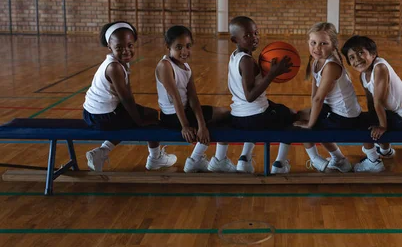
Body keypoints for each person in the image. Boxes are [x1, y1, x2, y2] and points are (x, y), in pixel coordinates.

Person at [83, 21, 176, 171]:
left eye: (130, 45)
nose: (126, 51)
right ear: (109, 47)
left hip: (93, 113)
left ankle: (101, 151)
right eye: (119, 47)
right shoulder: (114, 67)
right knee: (151, 118)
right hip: (102, 116)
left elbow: (126, 93)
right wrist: (138, 120)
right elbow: (126, 98)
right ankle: (155, 158)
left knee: (144, 115)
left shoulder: (119, 63)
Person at [222, 16, 299, 174]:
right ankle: (280, 164)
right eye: (247, 36)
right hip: (254, 116)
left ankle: (244, 159)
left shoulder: (235, 56)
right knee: (292, 117)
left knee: (275, 107)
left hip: (238, 115)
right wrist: (272, 74)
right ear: (234, 39)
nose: (254, 38)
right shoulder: (247, 61)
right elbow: (250, 96)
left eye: (255, 33)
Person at [341, 35, 402, 172]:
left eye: (360, 53)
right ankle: (385, 151)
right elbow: (371, 102)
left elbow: (378, 101)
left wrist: (381, 126)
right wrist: (373, 119)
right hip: (395, 112)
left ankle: (373, 162)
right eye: (351, 57)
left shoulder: (380, 67)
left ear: (373, 53)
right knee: (365, 119)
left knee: (363, 126)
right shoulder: (363, 75)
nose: (357, 59)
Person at [155, 25, 230, 173]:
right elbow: (175, 97)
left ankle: (199, 158)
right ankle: (200, 158)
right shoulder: (165, 65)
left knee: (222, 115)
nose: (184, 51)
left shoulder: (186, 68)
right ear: (168, 46)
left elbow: (193, 98)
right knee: (224, 115)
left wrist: (202, 126)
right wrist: (185, 126)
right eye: (179, 47)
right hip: (172, 117)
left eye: (188, 46)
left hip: (185, 112)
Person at [294, 22, 361, 173]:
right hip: (336, 110)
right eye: (313, 43)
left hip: (345, 116)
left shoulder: (331, 66)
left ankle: (317, 160)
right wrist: (311, 114)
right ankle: (339, 159)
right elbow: (314, 94)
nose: (317, 48)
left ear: (333, 45)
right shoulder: (316, 61)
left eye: (323, 43)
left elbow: (318, 99)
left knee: (305, 127)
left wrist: (310, 123)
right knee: (300, 115)